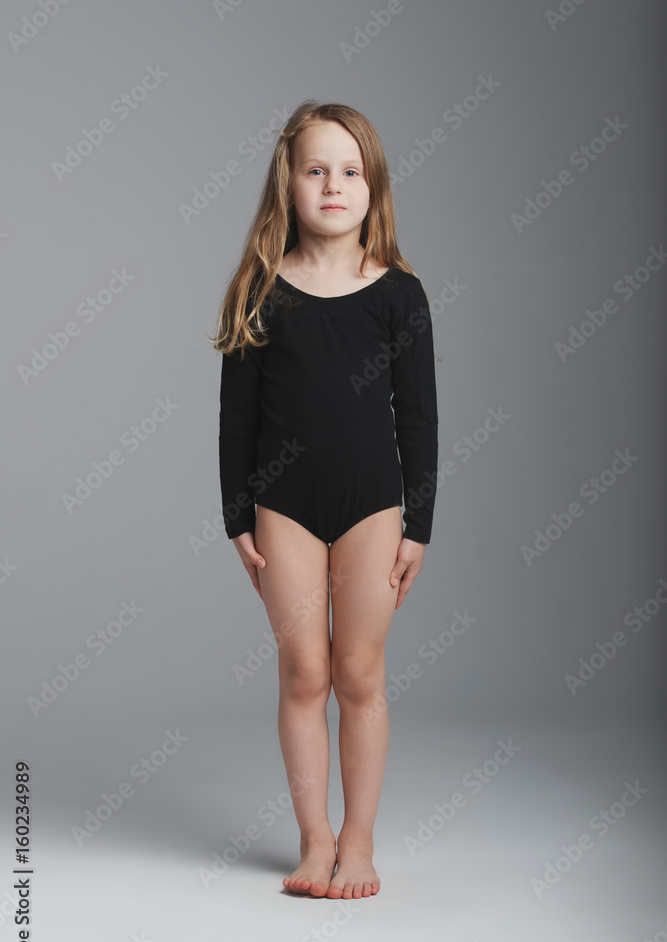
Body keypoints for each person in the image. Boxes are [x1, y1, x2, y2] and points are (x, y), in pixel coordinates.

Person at [212, 100, 439, 900]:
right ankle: (314, 843)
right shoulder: (261, 288)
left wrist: (419, 525)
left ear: (372, 187)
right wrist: (236, 516)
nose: (333, 185)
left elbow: (417, 416)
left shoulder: (398, 295)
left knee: (358, 672)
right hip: (285, 504)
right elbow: (235, 415)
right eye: (316, 170)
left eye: (350, 171)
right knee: (304, 670)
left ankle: (360, 842)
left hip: (373, 504)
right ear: (289, 184)